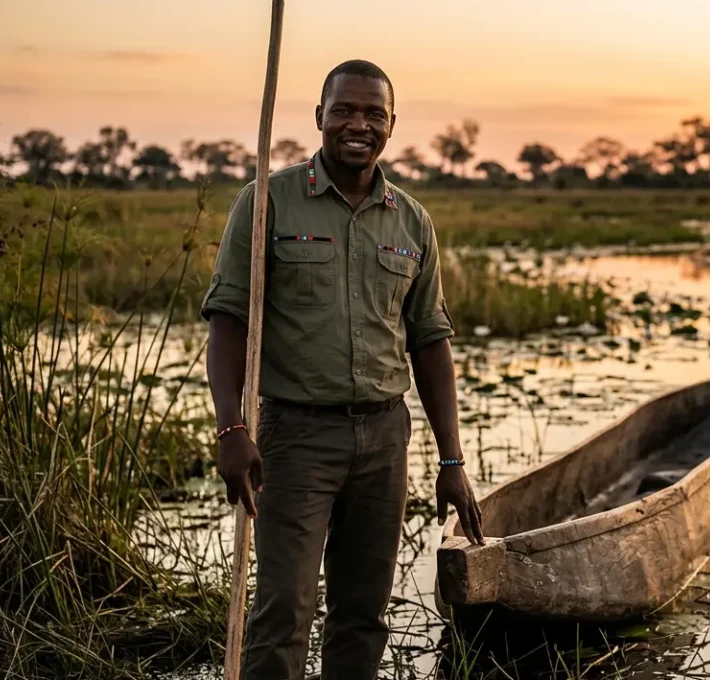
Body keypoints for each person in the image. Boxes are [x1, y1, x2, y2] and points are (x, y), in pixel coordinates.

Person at [202, 59, 485, 680]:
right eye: (345, 111)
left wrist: (453, 461)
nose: (358, 124)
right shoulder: (267, 201)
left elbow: (430, 341)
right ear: (320, 119)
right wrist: (231, 429)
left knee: (363, 613)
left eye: (373, 114)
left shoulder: (410, 220)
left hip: (385, 439)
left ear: (390, 126)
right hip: (296, 437)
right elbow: (228, 321)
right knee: (283, 610)